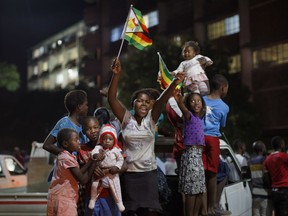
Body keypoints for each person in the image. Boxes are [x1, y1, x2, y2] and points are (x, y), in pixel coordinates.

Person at [107, 58, 184, 216]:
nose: (143, 104)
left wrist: (175, 82)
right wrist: (116, 75)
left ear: (151, 105)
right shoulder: (126, 119)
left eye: (147, 102)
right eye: (139, 101)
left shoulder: (151, 119)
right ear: (132, 104)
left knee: (151, 212)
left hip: (149, 174)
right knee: (130, 213)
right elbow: (111, 99)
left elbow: (162, 99)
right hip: (129, 175)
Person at [46, 128, 104, 216]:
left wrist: (91, 160)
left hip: (59, 197)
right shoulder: (66, 158)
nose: (79, 142)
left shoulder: (67, 155)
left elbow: (78, 173)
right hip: (64, 200)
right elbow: (83, 180)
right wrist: (94, 162)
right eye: (76, 139)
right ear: (66, 143)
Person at [79, 116, 126, 216]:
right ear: (83, 132)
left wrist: (108, 170)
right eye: (88, 129)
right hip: (91, 194)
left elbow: (125, 164)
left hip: (111, 194)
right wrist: (93, 166)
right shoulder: (82, 150)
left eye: (95, 128)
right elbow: (81, 172)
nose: (93, 131)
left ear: (100, 128)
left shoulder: (113, 146)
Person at [173, 89, 207, 216]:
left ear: (202, 104)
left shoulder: (200, 119)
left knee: (199, 190)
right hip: (191, 156)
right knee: (191, 191)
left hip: (198, 156)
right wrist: (179, 101)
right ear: (188, 104)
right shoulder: (189, 116)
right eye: (193, 101)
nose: (196, 103)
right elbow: (184, 109)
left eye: (198, 101)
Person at [202, 74, 229, 215]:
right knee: (212, 174)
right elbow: (222, 125)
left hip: (199, 139)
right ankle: (212, 207)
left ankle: (204, 208)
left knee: (202, 174)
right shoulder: (224, 107)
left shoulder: (200, 100)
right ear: (223, 88)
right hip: (212, 139)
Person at [88, 124, 125, 212]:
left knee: (116, 188)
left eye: (110, 139)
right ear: (101, 140)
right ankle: (92, 200)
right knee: (94, 185)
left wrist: (117, 167)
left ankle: (119, 202)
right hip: (100, 172)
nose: (107, 141)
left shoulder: (116, 150)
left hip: (112, 173)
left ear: (114, 140)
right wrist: (96, 155)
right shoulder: (99, 148)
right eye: (104, 139)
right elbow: (93, 152)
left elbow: (121, 159)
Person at [43, 89, 89, 156]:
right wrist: (67, 156)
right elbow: (47, 145)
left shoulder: (82, 125)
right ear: (79, 107)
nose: (87, 107)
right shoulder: (64, 123)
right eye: (86, 105)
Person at [264, 136, 288, 216]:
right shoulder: (283, 156)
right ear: (281, 145)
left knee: (277, 213)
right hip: (284, 190)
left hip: (274, 191)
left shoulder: (267, 159)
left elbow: (266, 176)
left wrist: (271, 186)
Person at [250, 140, 273, 216]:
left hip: (255, 192)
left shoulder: (250, 160)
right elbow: (266, 175)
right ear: (262, 149)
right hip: (264, 191)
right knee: (265, 213)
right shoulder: (264, 160)